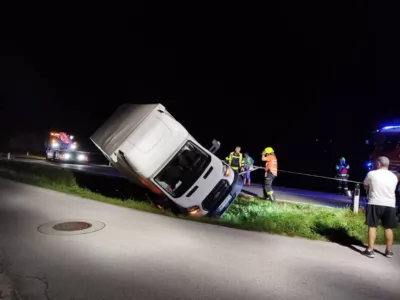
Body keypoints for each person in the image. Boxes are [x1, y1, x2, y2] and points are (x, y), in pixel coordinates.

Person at [362, 156, 398, 258]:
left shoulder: (372, 174)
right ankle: (389, 251)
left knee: (372, 226)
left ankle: (370, 250)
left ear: (378, 164)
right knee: (388, 228)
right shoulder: (394, 177)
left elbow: (365, 184)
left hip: (375, 202)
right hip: (390, 204)